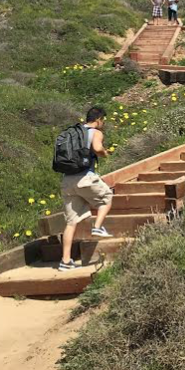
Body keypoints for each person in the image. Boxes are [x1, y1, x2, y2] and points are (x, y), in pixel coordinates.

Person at [58, 106, 114, 271]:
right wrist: (104, 153)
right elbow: (97, 148)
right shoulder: (96, 132)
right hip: (84, 177)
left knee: (71, 222)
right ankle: (97, 227)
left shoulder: (73, 133)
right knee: (107, 197)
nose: (103, 123)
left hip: (67, 180)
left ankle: (65, 261)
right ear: (98, 120)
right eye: (103, 120)